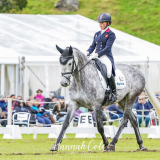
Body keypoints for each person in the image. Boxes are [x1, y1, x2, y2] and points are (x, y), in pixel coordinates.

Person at [86, 13, 116, 103]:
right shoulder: (97, 34)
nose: (100, 24)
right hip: (96, 56)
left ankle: (113, 92)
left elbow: (108, 48)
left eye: (102, 22)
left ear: (107, 23)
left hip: (106, 57)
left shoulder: (111, 34)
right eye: (99, 22)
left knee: (108, 72)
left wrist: (97, 54)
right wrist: (88, 52)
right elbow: (92, 46)